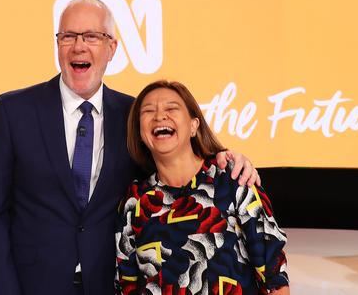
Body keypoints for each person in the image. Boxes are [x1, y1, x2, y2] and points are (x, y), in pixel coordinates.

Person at [0, 0, 260, 295]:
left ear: (112, 48)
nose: (78, 46)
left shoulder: (134, 114)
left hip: (109, 286)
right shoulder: (12, 111)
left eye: (91, 36)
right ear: (57, 45)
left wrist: (224, 157)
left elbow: (177, 163)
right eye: (68, 36)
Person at [116, 80, 289, 295]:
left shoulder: (232, 179)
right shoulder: (136, 201)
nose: (159, 116)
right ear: (140, 133)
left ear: (194, 125)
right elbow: (126, 284)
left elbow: (275, 279)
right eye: (148, 111)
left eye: (171, 108)